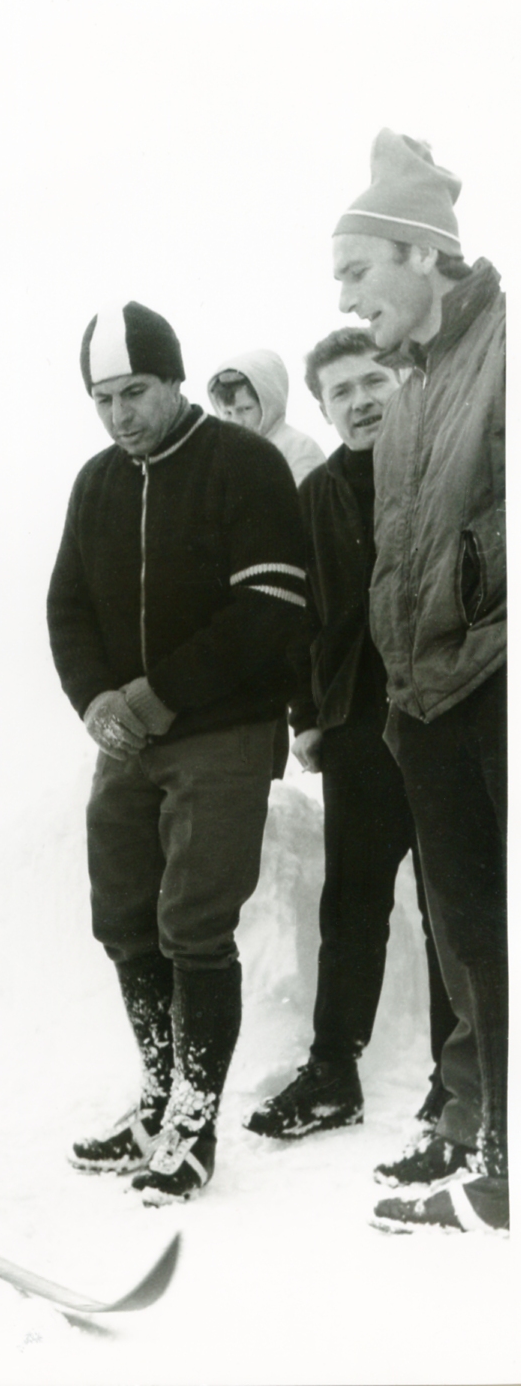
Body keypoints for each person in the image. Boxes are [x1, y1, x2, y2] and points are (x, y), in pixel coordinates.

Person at [47, 301, 307, 1203]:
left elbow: (272, 605)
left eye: (135, 392)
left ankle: (193, 1122)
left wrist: (157, 695)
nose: (120, 415)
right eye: (103, 398)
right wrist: (93, 702)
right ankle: (157, 1097)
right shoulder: (96, 482)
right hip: (129, 741)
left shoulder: (243, 463)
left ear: (173, 379)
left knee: (194, 923)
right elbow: (67, 606)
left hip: (222, 732)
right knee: (122, 916)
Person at [331, 131, 506, 1233]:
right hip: (427, 699)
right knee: (468, 934)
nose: (348, 297)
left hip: (495, 683)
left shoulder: (505, 349)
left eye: (356, 271)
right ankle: (480, 1131)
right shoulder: (408, 390)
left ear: (423, 253)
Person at [243, 327, 463, 1149]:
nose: (361, 400)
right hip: (358, 727)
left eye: (373, 380)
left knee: (454, 901)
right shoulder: (317, 495)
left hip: (448, 716)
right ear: (323, 409)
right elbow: (299, 621)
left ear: (400, 379)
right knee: (353, 903)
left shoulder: (447, 463)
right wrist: (307, 717)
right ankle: (333, 1070)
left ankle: (457, 1081)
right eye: (341, 392)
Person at [207, 350, 325, 485]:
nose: (236, 422)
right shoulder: (222, 455)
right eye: (227, 413)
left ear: (268, 404)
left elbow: (306, 503)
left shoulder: (299, 448)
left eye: (245, 409)